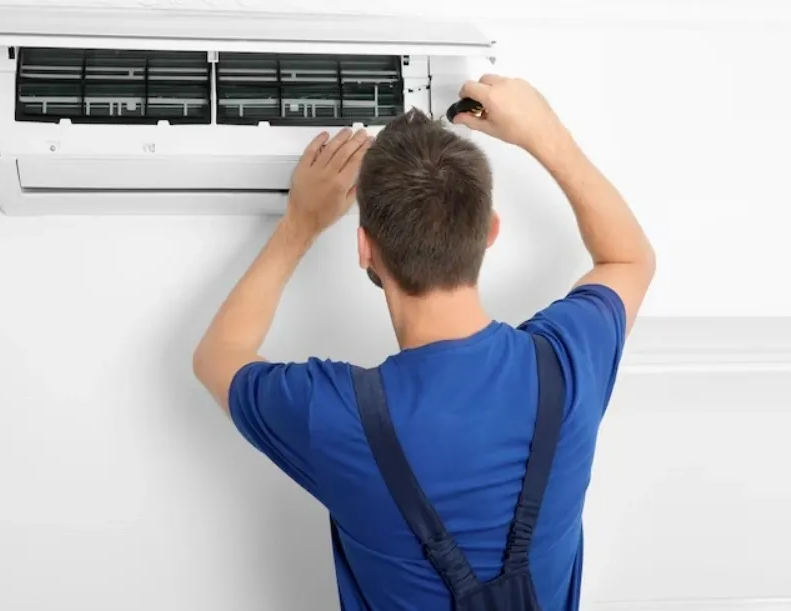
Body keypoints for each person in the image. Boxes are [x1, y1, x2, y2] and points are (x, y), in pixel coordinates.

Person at [193, 74, 655, 610]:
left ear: (365, 248)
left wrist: (301, 222)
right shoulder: (568, 366)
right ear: (490, 231)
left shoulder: (335, 415)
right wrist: (541, 131)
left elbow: (217, 356)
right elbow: (628, 258)